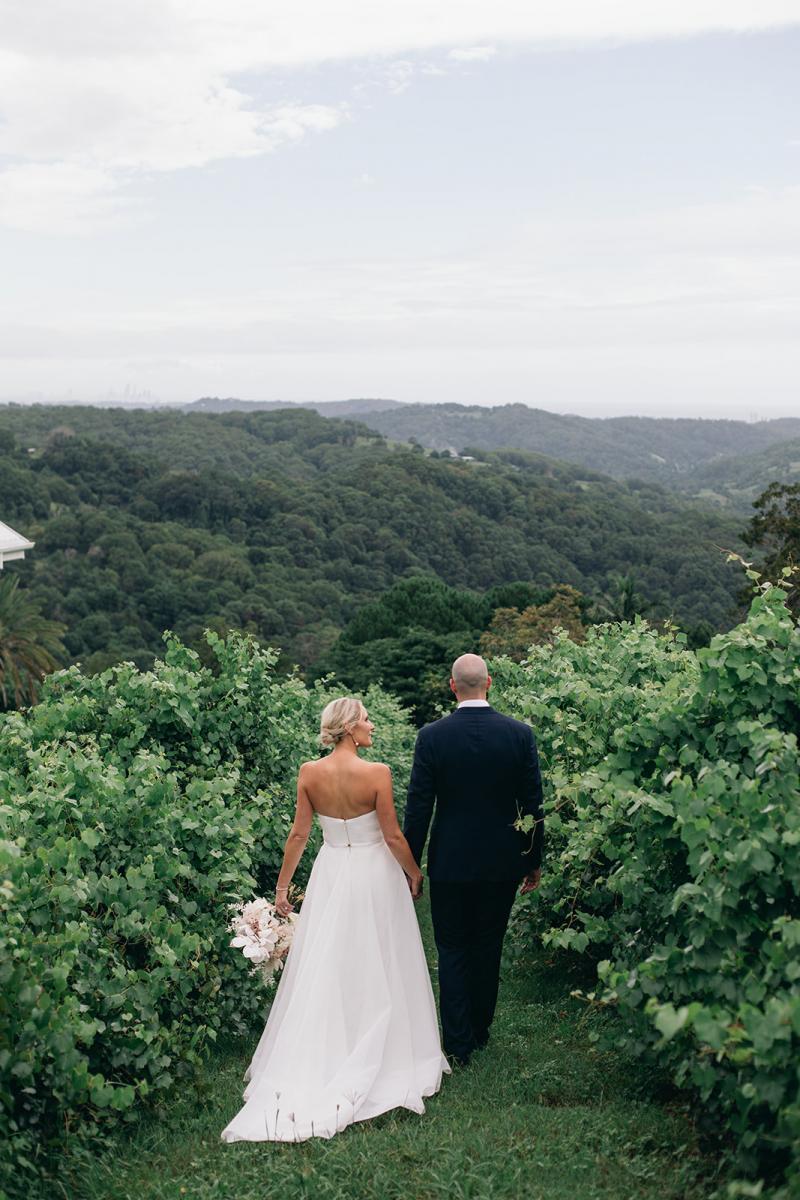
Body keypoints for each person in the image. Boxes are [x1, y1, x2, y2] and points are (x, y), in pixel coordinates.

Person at [220, 697, 450, 1144]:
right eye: (365, 719)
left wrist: (283, 889)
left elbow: (300, 833)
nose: (371, 725)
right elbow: (392, 834)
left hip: (331, 869)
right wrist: (414, 872)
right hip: (373, 872)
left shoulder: (309, 772)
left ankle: (335, 1038)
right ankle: (383, 1047)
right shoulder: (377, 773)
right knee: (382, 953)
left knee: (330, 958)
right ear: (349, 728)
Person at [403, 653, 544, 1066]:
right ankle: (480, 1030)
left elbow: (418, 807)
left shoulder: (432, 736)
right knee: (488, 944)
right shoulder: (519, 735)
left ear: (452, 686)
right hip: (502, 861)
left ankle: (458, 1042)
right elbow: (532, 804)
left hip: (449, 859)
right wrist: (532, 859)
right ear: (490, 682)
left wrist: (412, 866)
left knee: (451, 947)